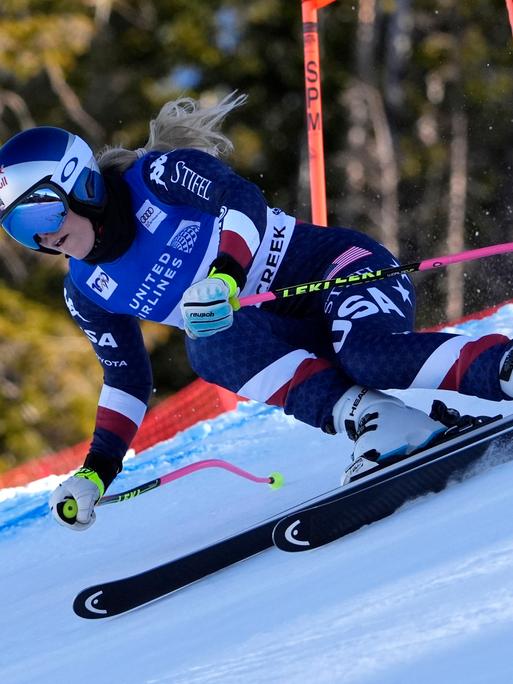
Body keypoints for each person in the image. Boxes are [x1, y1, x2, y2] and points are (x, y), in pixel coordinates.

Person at [0, 92, 512, 531]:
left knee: (369, 356)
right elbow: (126, 378)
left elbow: (241, 201)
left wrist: (224, 275)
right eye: (21, 229)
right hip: (284, 334)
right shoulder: (87, 290)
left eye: (40, 212)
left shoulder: (156, 176)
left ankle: (503, 370)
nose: (42, 237)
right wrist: (95, 471)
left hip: (336, 269)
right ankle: (384, 423)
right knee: (208, 345)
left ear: (80, 183)